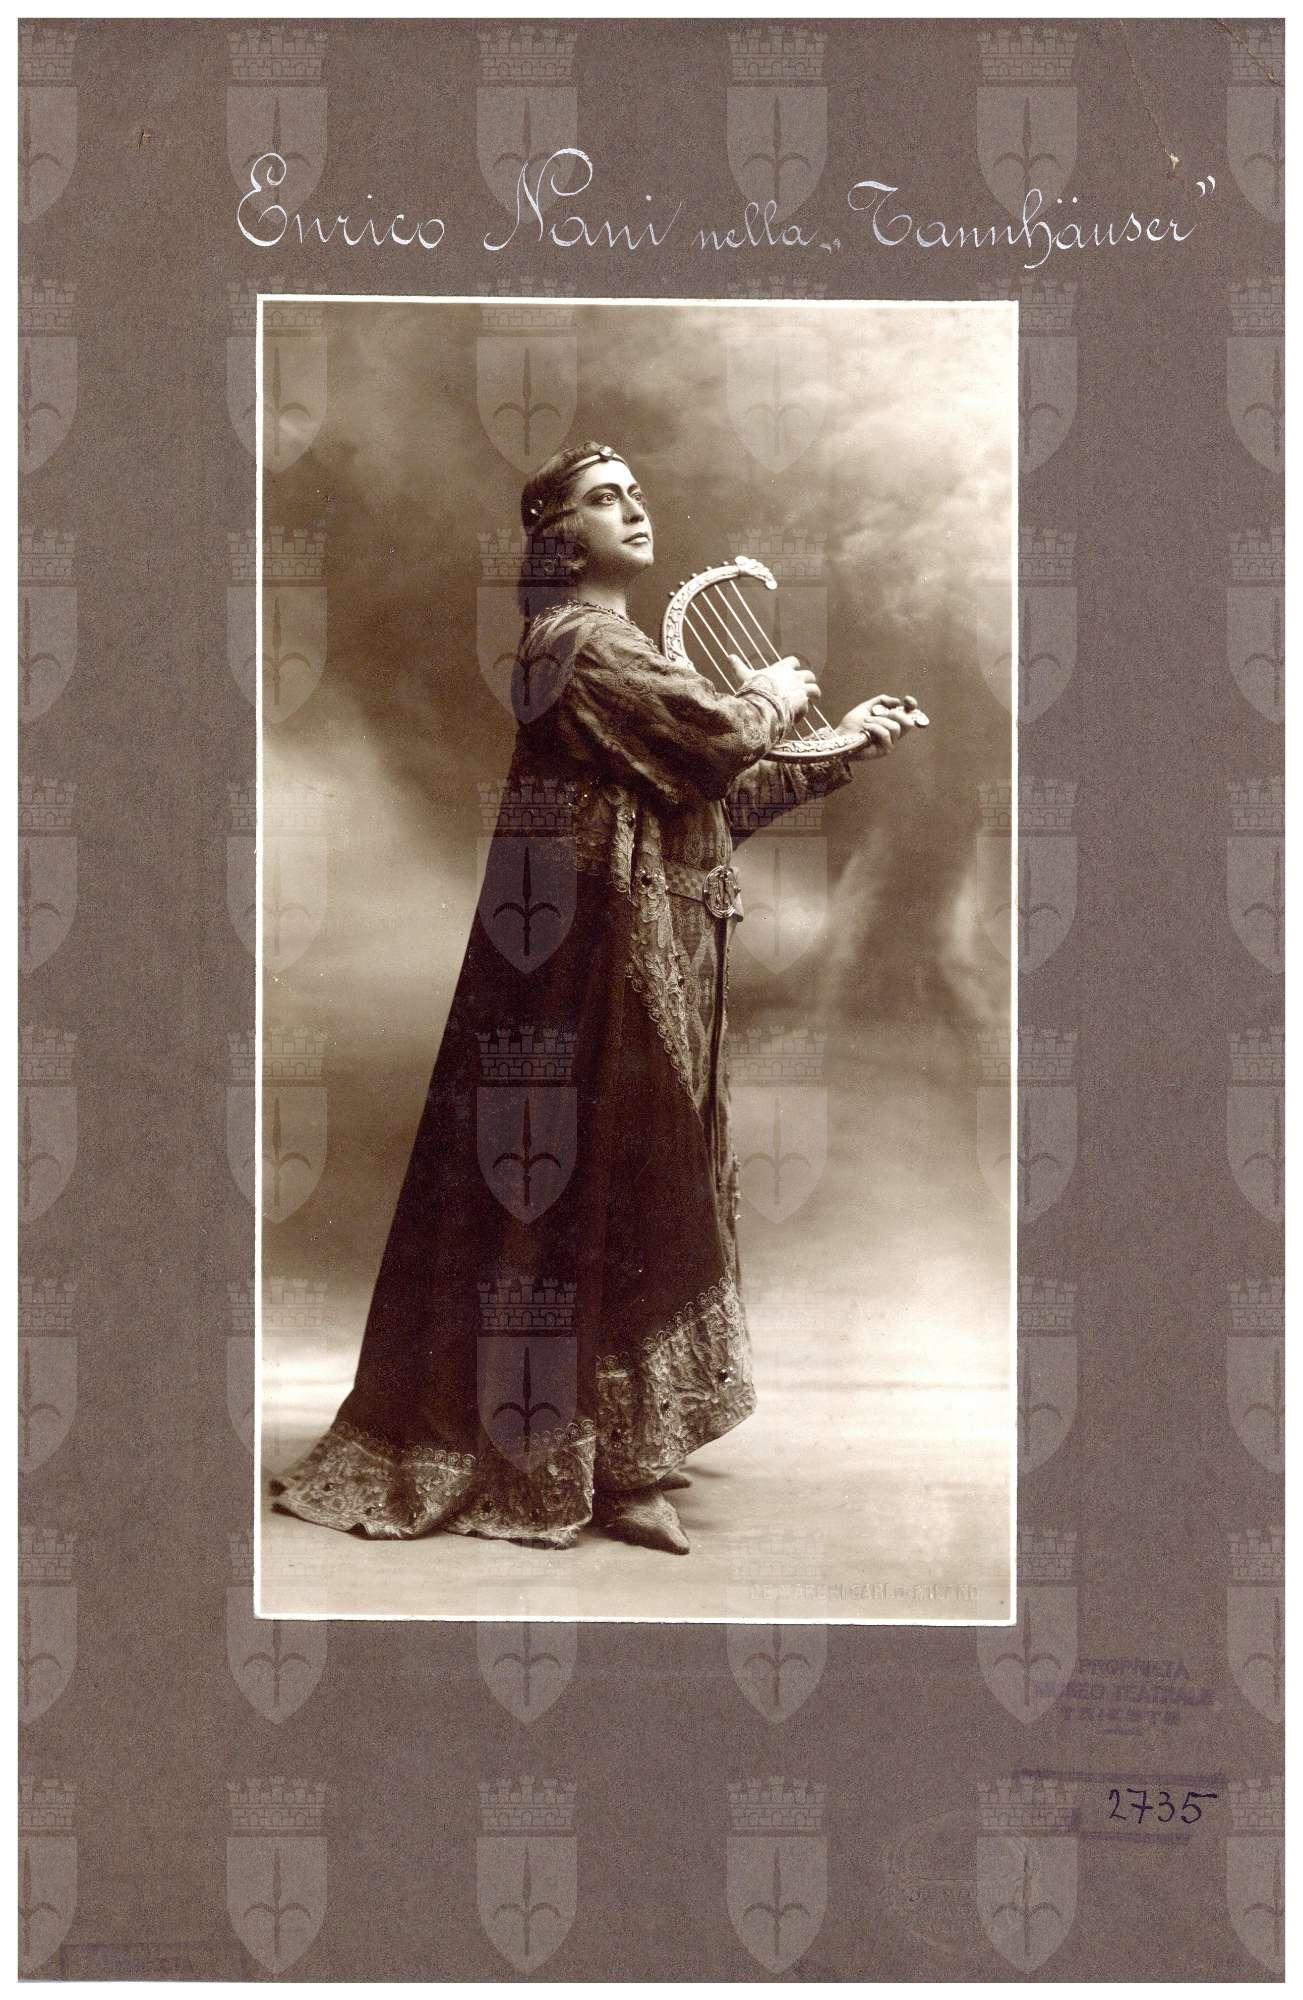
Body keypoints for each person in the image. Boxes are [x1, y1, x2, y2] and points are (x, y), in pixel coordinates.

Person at [269, 440, 928, 1555]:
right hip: (587, 973)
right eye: (602, 496)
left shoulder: (611, 650)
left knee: (634, 1192)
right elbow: (718, 741)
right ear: (558, 536)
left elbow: (706, 805)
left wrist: (840, 745)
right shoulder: (575, 644)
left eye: (634, 491)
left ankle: (621, 1450)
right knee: (611, 1193)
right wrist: (768, 697)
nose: (632, 505)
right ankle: (588, 1460)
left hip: (639, 962)